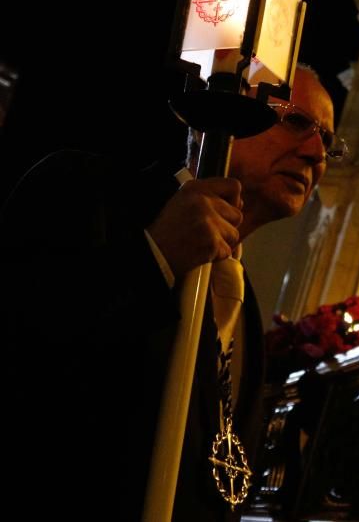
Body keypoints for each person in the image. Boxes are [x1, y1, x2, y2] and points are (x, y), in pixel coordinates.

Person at [0, 64, 335, 520]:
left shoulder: (250, 319)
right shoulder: (83, 193)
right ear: (220, 107)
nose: (317, 153)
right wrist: (153, 256)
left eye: (329, 142)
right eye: (297, 121)